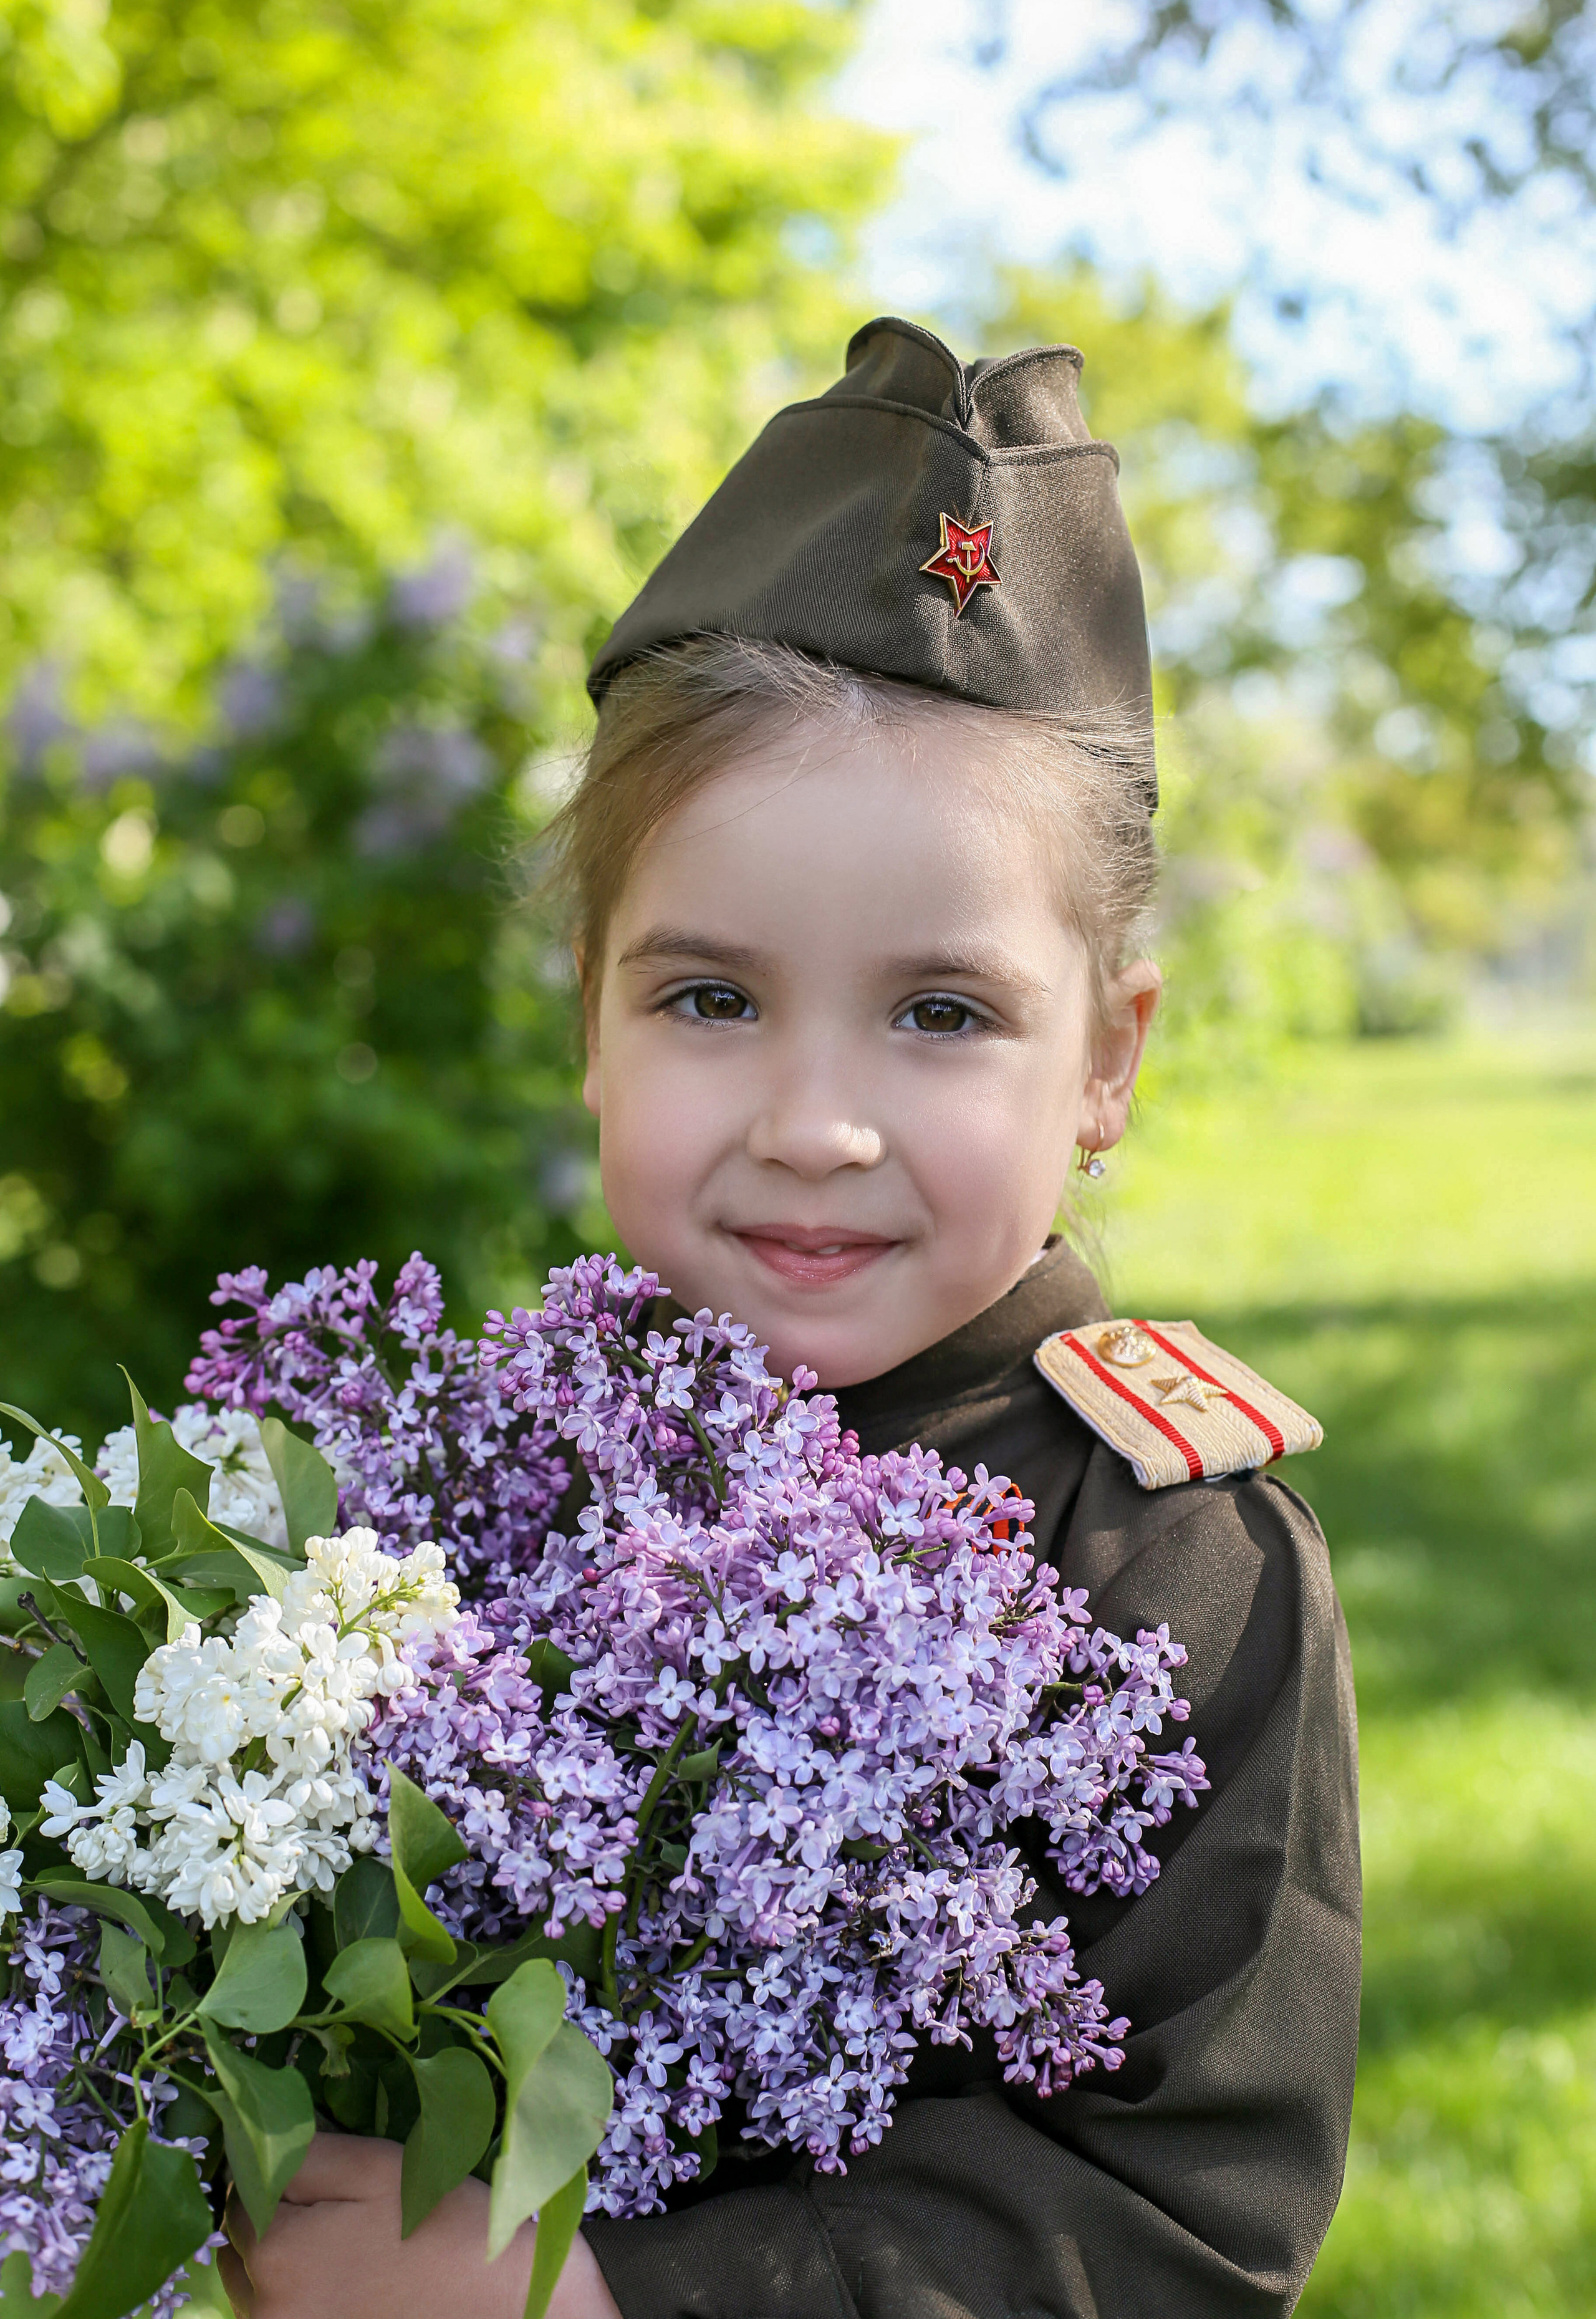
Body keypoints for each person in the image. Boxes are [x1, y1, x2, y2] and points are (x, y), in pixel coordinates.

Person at [220, 317, 1360, 2319]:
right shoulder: (476, 1476)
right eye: (711, 998)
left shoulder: (1175, 1565)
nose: (815, 1126)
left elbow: (1189, 2217)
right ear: (590, 1015)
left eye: (942, 1012)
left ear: (1109, 1059)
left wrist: (604, 2299)